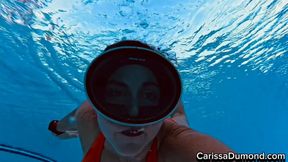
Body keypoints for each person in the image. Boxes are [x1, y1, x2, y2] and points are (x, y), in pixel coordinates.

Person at [48, 40, 232, 162]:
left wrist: (58, 128)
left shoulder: (179, 146)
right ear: (98, 103)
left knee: (178, 116)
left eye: (150, 96)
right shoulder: (86, 115)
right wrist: (58, 129)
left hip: (168, 125)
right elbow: (63, 126)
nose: (134, 114)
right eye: (116, 93)